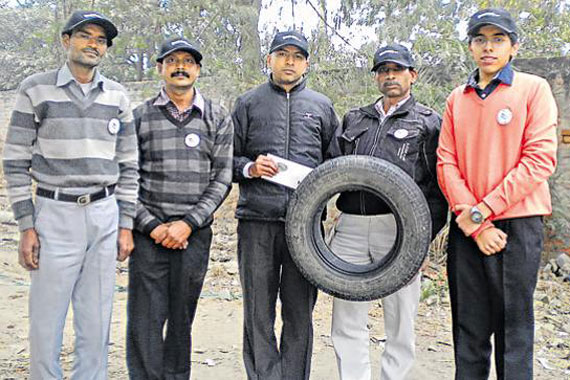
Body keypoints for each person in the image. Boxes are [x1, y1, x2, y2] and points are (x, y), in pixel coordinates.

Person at [1, 10, 138, 378]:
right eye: (85, 36)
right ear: (66, 40)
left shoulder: (117, 95)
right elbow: (14, 161)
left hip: (104, 213)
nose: (93, 44)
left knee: (96, 321)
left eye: (100, 40)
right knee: (46, 320)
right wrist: (26, 225)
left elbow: (129, 165)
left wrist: (125, 223)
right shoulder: (36, 88)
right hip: (54, 214)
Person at [436, 8, 558, 380]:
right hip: (467, 225)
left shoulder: (533, 89)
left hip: (517, 226)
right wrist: (473, 220)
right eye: (480, 39)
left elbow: (539, 160)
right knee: (468, 331)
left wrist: (482, 212)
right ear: (471, 47)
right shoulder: (458, 97)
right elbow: (446, 163)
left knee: (513, 331)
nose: (488, 47)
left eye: (498, 39)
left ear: (513, 47)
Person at [328, 44, 447, 380]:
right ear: (376, 77)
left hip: (401, 230)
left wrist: (422, 240)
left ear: (413, 75)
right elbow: (329, 170)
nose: (390, 76)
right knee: (347, 315)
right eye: (383, 70)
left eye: (397, 69)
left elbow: (438, 189)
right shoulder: (354, 118)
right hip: (350, 226)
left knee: (400, 317)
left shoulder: (427, 122)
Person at [232, 30, 339, 379]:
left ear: (306, 63)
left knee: (299, 310)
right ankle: (264, 375)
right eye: (282, 54)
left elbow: (334, 163)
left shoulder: (322, 106)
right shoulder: (248, 103)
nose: (289, 61)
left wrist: (322, 186)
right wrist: (249, 167)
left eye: (297, 55)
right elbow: (226, 160)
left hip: (304, 226)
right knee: (257, 310)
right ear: (270, 59)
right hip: (256, 221)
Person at [126, 37, 233, 378]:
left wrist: (188, 223)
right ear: (160, 68)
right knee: (144, 319)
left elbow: (222, 178)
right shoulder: (140, 116)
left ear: (198, 69)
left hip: (194, 236)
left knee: (181, 317)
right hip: (149, 236)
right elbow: (126, 177)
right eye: (172, 61)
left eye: (188, 61)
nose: (180, 67)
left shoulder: (217, 116)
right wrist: (152, 226)